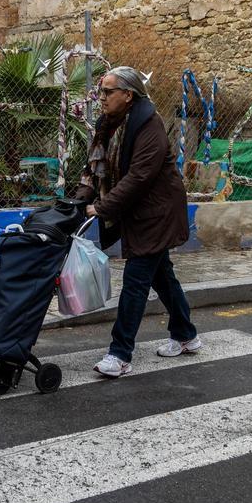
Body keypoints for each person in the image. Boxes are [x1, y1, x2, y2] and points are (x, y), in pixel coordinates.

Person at [78, 66, 201, 378]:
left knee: (136, 280)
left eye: (107, 92)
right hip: (139, 212)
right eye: (100, 91)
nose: (100, 97)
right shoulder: (110, 123)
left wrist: (101, 207)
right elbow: (95, 166)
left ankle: (120, 354)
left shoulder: (149, 125)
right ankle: (186, 335)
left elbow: (139, 177)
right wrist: (79, 199)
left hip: (157, 213)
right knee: (162, 277)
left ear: (128, 95)